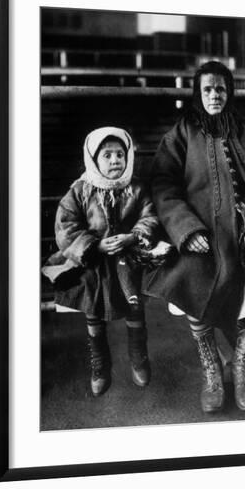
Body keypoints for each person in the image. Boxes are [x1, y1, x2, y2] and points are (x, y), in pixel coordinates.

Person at [145, 61, 245, 413]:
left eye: (221, 89)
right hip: (203, 236)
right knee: (193, 279)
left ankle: (241, 366)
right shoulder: (181, 133)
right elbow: (163, 185)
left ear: (229, 91)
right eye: (207, 89)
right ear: (198, 92)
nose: (215, 95)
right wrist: (185, 229)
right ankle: (212, 370)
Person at [42, 127, 161, 397]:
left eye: (120, 154)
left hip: (128, 257)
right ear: (93, 160)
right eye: (106, 155)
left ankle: (138, 355)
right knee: (93, 306)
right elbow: (66, 226)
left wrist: (134, 236)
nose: (115, 160)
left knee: (134, 304)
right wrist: (94, 245)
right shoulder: (80, 190)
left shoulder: (137, 187)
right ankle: (100, 363)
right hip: (92, 261)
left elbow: (150, 216)